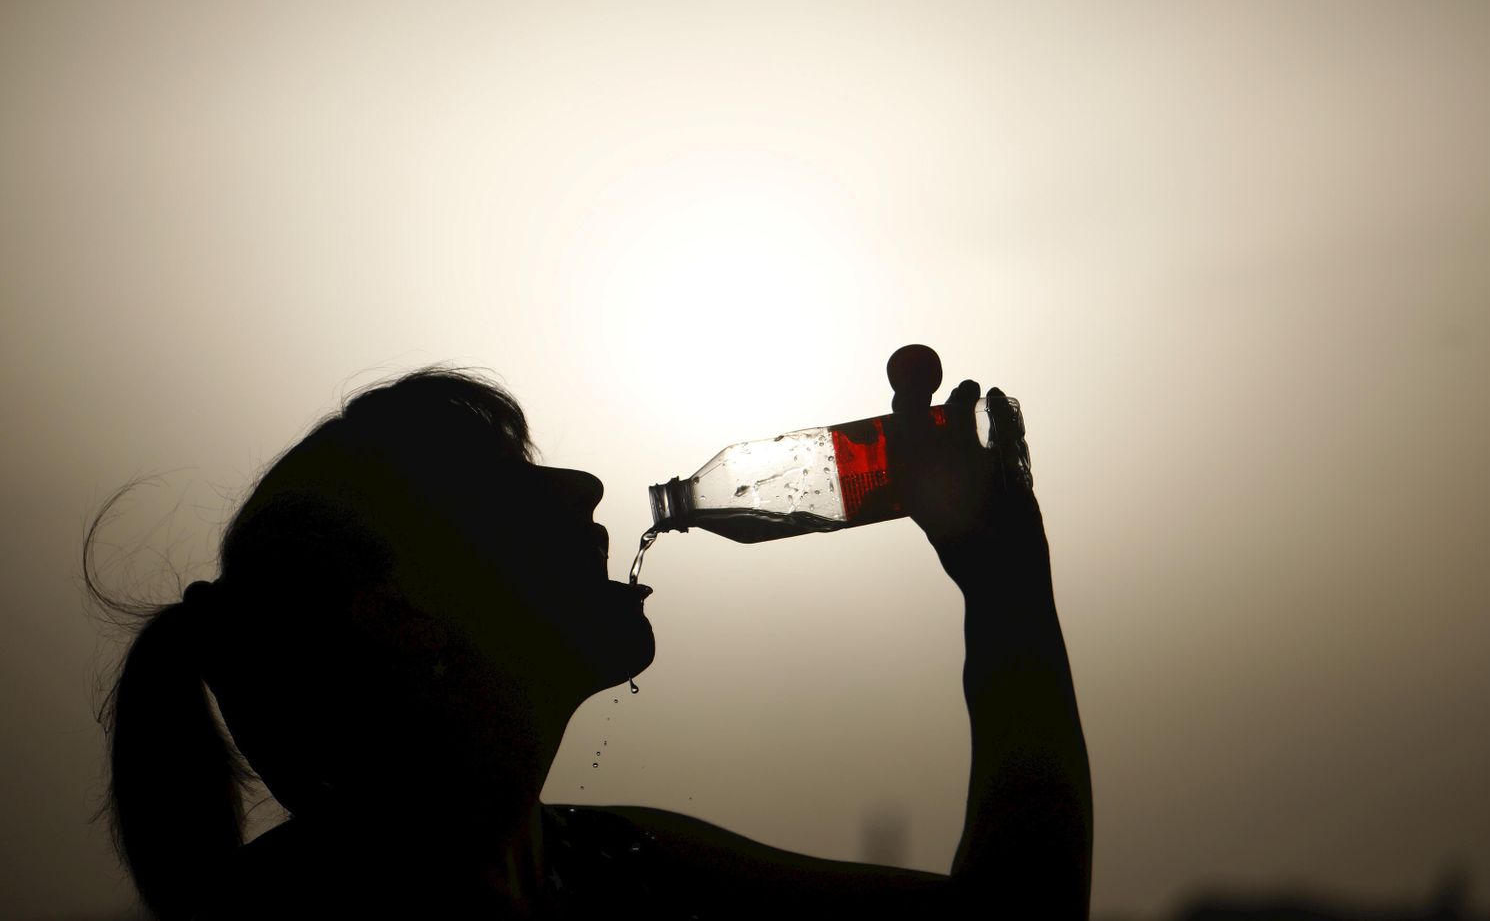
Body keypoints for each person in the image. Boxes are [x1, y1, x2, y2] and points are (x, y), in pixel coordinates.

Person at [84, 353, 1092, 919]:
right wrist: (1005, 592)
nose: (584, 487)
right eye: (506, 483)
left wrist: (1002, 577)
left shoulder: (586, 857)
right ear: (399, 610)